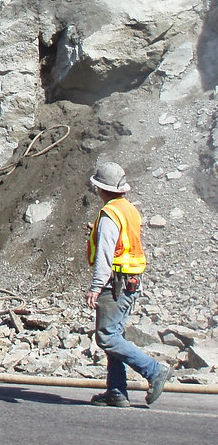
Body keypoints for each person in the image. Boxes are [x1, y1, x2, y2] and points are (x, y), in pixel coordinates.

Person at [85, 161, 172, 407]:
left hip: (116, 283)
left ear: (100, 189)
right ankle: (116, 391)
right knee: (115, 333)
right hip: (131, 282)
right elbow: (123, 242)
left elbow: (105, 254)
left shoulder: (109, 214)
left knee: (107, 338)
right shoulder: (129, 209)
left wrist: (95, 287)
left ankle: (154, 371)